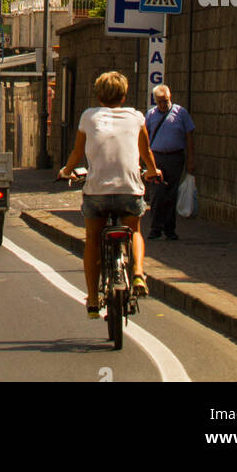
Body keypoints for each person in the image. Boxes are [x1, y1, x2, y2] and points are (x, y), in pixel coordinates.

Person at [59, 70, 162, 317]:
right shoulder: (137, 117)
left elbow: (77, 153)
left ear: (98, 95)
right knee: (135, 230)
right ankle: (137, 274)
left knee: (93, 240)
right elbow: (145, 152)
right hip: (129, 189)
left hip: (97, 193)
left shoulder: (88, 116)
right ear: (124, 95)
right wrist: (152, 171)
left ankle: (93, 300)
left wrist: (66, 171)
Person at [144, 84, 196, 241]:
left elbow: (189, 136)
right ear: (155, 101)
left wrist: (191, 159)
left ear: (170, 98)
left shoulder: (181, 113)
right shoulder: (151, 115)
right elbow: (144, 139)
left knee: (171, 194)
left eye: (165, 101)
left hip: (175, 157)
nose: (163, 104)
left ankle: (169, 229)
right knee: (157, 192)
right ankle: (155, 228)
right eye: (159, 101)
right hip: (156, 158)